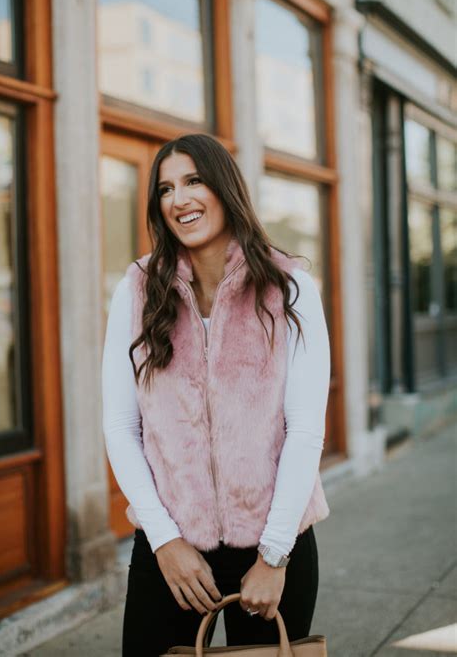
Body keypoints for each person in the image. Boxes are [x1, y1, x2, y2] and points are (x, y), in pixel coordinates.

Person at [102, 133, 331, 656]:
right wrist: (164, 540)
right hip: (171, 547)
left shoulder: (289, 289)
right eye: (165, 189)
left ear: (225, 188)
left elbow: (305, 430)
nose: (178, 198)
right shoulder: (138, 290)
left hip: (273, 546)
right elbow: (121, 425)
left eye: (193, 181)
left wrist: (274, 557)